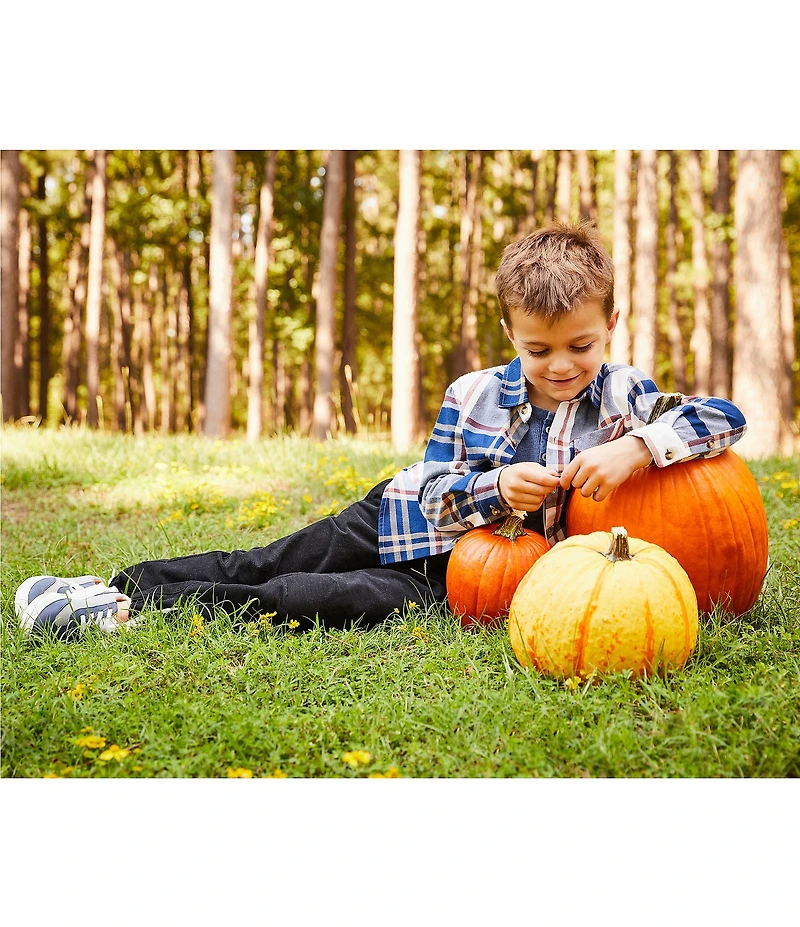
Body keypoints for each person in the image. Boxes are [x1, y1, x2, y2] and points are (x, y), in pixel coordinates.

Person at [15, 221, 746, 640]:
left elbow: (725, 418)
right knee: (269, 560)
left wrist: (636, 444)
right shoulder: (474, 392)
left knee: (308, 597)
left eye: (581, 346)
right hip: (394, 517)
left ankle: (126, 614)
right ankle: (112, 586)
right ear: (510, 332)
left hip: (455, 580)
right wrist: (495, 487)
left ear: (611, 325)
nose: (561, 365)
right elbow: (430, 485)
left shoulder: (626, 395)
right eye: (539, 348)